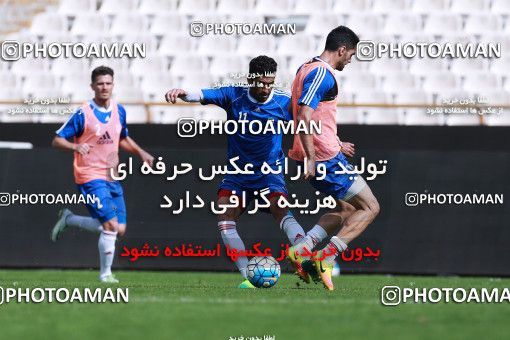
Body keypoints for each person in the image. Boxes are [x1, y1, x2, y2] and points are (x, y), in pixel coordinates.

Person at [165, 55, 309, 288]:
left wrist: (335, 143)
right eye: (261, 82)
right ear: (250, 79)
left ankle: (304, 257)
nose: (266, 88)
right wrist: (183, 93)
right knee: (224, 216)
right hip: (238, 173)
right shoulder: (234, 95)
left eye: (270, 83)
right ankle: (247, 275)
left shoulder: (284, 102)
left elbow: (308, 123)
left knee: (280, 210)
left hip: (269, 171)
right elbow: (201, 95)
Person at [286, 26, 380, 291]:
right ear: (341, 50)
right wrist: (312, 157)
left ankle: (302, 248)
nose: (350, 60)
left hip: (321, 152)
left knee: (347, 209)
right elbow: (304, 115)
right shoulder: (322, 74)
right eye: (350, 54)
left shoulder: (305, 67)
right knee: (371, 207)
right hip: (324, 158)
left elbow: (311, 116)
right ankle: (325, 258)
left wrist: (335, 141)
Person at [51, 66, 154, 283]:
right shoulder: (83, 113)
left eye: (108, 83)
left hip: (112, 176)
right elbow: (57, 140)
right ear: (92, 86)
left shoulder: (119, 111)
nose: (104, 87)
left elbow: (122, 138)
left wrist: (141, 152)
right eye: (100, 83)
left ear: (113, 85)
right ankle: (105, 275)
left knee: (120, 229)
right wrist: (75, 147)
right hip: (89, 175)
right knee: (110, 226)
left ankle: (69, 219)